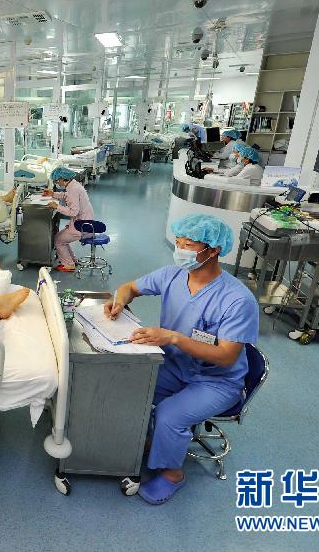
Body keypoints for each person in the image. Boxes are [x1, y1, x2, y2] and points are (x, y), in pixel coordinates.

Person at [105, 214, 258, 505]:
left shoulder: (237, 300)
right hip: (175, 366)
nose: (180, 250)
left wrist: (173, 338)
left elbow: (227, 356)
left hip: (216, 381)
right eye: (178, 242)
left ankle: (173, 474)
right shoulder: (173, 276)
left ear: (213, 250)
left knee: (170, 415)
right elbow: (129, 287)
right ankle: (154, 441)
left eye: (188, 244)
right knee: (132, 383)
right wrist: (119, 301)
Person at [42, 166, 95, 272]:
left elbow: (73, 212)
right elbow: (67, 195)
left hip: (82, 226)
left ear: (63, 178)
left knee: (58, 240)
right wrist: (53, 194)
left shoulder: (73, 189)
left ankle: (69, 265)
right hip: (86, 222)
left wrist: (56, 206)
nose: (57, 183)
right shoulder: (73, 184)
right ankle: (72, 261)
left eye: (57, 180)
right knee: (61, 238)